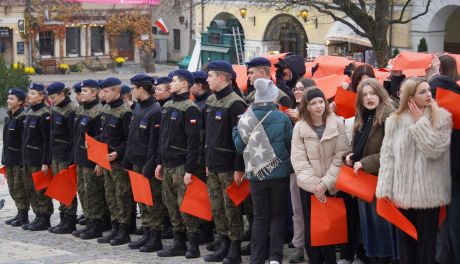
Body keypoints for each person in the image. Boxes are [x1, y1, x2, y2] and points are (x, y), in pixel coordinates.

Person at [376, 77, 452, 264]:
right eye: (422, 91)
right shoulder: (394, 120)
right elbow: (387, 156)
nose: (429, 95)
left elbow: (435, 150)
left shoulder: (442, 117)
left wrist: (420, 123)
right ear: (410, 96)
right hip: (401, 195)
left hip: (429, 195)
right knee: (406, 250)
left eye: (429, 90)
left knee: (427, 249)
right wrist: (384, 189)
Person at [233, 78, 293, 264]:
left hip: (256, 175)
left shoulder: (245, 118)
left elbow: (239, 147)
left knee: (260, 217)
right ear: (273, 97)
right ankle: (275, 257)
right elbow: (290, 143)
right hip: (279, 173)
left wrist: (236, 129)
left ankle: (256, 258)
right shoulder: (282, 117)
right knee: (277, 214)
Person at [291, 88, 349, 264]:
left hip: (332, 184)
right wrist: (316, 186)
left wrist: (326, 184)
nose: (318, 106)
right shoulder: (300, 127)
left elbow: (341, 155)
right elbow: (298, 159)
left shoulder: (337, 123)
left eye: (320, 101)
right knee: (312, 227)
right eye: (313, 103)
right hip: (309, 187)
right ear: (306, 106)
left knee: (329, 227)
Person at [344, 78, 398, 263]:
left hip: (382, 181)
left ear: (380, 94)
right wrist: (350, 155)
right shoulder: (363, 116)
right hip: (364, 182)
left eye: (373, 93)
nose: (369, 98)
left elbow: (393, 151)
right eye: (365, 94)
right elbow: (357, 146)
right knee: (369, 228)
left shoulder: (390, 117)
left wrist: (366, 163)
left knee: (381, 227)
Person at [154, 70, 202, 259]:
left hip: (182, 165)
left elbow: (193, 142)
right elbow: (162, 138)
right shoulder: (167, 106)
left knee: (186, 206)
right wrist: (159, 162)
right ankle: (178, 242)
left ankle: (193, 245)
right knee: (171, 205)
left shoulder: (190, 108)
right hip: (167, 164)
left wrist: (190, 169)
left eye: (174, 81)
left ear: (184, 84)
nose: (171, 84)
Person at [204, 61, 247, 264]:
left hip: (229, 166)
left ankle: (235, 248)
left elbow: (242, 139)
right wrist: (207, 161)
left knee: (231, 209)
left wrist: (239, 168)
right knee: (217, 207)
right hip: (213, 164)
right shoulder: (212, 100)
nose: (207, 79)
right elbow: (209, 135)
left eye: (210, 76)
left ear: (222, 78)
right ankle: (223, 244)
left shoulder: (235, 103)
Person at [124, 74, 165, 253]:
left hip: (147, 163)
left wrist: (150, 165)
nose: (131, 91)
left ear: (141, 88)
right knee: (142, 200)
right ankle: (147, 234)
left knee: (152, 202)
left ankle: (155, 237)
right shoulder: (139, 108)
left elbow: (154, 142)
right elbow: (133, 137)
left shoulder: (155, 110)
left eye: (133, 88)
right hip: (136, 162)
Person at [95, 77, 133, 246]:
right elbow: (103, 136)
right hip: (105, 160)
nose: (103, 94)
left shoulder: (125, 112)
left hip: (118, 162)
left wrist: (119, 152)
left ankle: (124, 231)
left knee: (121, 196)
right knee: (110, 195)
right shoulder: (106, 110)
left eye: (107, 91)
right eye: (102, 91)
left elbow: (128, 139)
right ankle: (115, 228)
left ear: (117, 92)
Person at [285, 77, 316, 264]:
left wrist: (300, 120)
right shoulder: (290, 111)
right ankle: (299, 246)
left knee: (314, 210)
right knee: (297, 209)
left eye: (301, 89)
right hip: (296, 168)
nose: (297, 92)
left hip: (315, 168)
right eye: (295, 89)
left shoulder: (317, 110)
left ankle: (317, 245)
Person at [72, 80, 107, 240]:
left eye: (85, 91)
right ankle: (88, 221)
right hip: (80, 158)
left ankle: (96, 226)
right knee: (83, 191)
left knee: (93, 193)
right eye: (81, 91)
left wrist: (100, 162)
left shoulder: (99, 111)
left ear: (95, 93)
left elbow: (101, 139)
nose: (81, 93)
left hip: (91, 161)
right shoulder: (81, 110)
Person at [46, 82, 79, 234]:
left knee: (67, 188)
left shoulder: (72, 109)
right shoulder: (55, 108)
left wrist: (71, 158)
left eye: (53, 97)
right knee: (59, 187)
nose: (51, 100)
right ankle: (63, 218)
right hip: (56, 154)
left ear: (61, 94)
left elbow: (74, 136)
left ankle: (70, 221)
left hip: (66, 154)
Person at [21, 83, 53, 231]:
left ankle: (45, 217)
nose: (29, 96)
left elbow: (47, 140)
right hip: (28, 158)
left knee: (41, 190)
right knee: (30, 188)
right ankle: (37, 215)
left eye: (33, 93)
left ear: (41, 96)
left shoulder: (44, 114)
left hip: (38, 159)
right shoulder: (28, 112)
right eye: (29, 93)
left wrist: (45, 162)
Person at [2, 88, 28, 227]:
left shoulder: (22, 117)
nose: (8, 101)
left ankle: (23, 215)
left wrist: (22, 160)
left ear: (20, 102)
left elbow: (24, 141)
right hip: (9, 158)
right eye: (8, 98)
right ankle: (19, 212)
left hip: (18, 158)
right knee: (12, 187)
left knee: (19, 187)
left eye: (12, 98)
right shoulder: (9, 115)